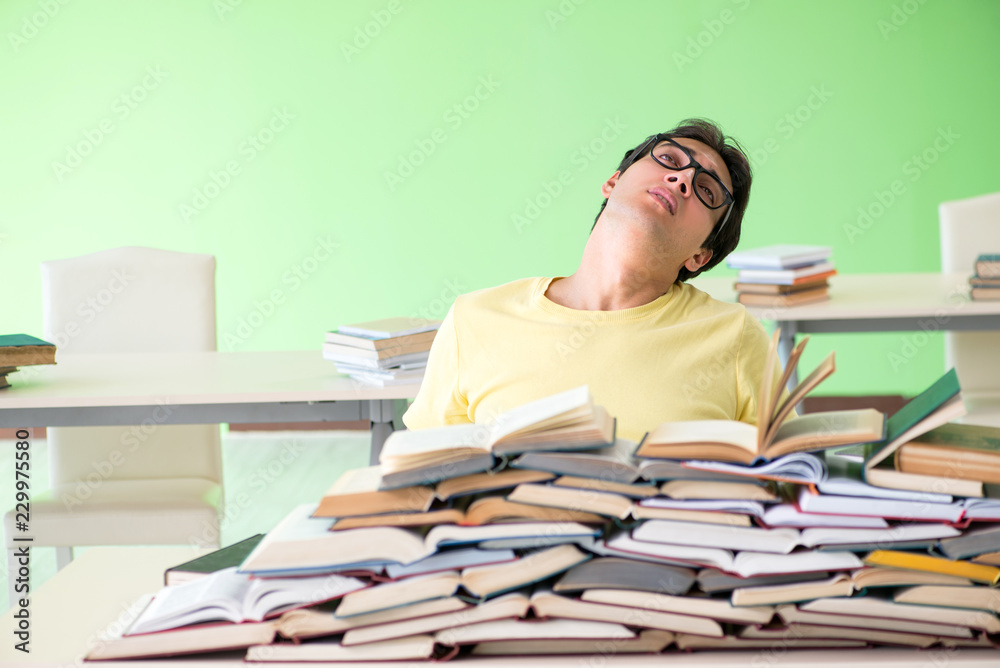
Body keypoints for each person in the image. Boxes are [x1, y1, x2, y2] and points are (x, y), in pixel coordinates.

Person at [403, 118, 780, 442]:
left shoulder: (737, 338)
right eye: (669, 159)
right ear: (613, 182)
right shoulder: (473, 318)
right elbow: (423, 476)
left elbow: (787, 480)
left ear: (700, 255)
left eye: (706, 191)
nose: (682, 179)